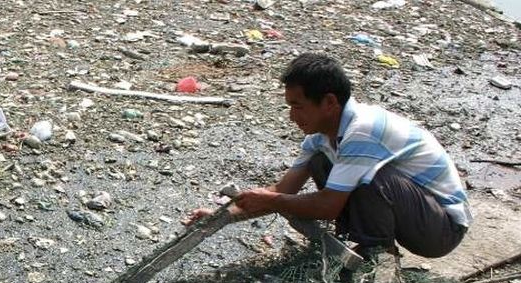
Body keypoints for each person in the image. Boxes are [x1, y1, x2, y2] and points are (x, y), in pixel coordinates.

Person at [186, 53, 471, 258]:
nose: (291, 117)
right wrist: (221, 217)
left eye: (298, 107)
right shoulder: (320, 139)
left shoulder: (363, 130)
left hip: (442, 228)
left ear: (330, 102)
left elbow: (327, 206)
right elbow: (281, 190)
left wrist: (274, 200)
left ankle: (379, 259)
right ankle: (363, 245)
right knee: (322, 163)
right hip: (414, 214)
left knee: (373, 179)